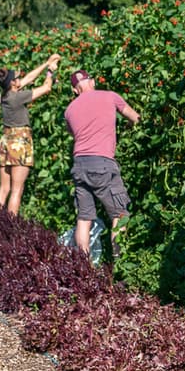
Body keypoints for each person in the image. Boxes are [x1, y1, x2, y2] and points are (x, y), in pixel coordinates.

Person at [63, 69, 141, 257]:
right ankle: (119, 262)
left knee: (84, 217)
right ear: (93, 81)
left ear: (75, 90)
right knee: (120, 214)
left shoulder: (69, 110)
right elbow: (136, 117)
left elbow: (74, 134)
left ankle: (82, 266)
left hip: (79, 164)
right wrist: (129, 126)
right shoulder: (110, 96)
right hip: (103, 163)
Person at [0, 53, 62, 215]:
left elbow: (29, 78)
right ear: (13, 83)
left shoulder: (5, 95)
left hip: (6, 141)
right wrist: (50, 72)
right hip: (20, 141)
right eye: (16, 78)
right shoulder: (19, 97)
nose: (19, 79)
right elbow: (46, 88)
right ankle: (9, 227)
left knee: (4, 189)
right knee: (17, 190)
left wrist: (46, 63)